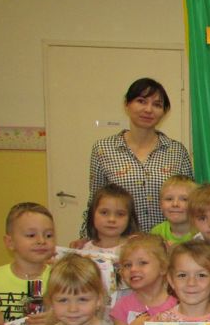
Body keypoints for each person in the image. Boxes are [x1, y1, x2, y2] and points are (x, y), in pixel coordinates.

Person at [83, 78, 193, 237]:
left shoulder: (177, 151)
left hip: (168, 244)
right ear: (127, 104)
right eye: (141, 101)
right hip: (121, 243)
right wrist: (85, 239)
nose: (148, 109)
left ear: (164, 112)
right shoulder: (103, 149)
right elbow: (95, 202)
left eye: (157, 105)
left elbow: (192, 203)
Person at [83, 184, 140, 256]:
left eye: (120, 214)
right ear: (92, 214)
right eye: (104, 212)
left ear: (129, 219)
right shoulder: (84, 250)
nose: (111, 219)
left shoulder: (135, 248)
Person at [150, 175, 197, 246]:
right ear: (160, 204)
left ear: (195, 204)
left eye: (184, 199)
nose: (175, 204)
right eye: (169, 199)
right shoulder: (156, 233)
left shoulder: (202, 233)